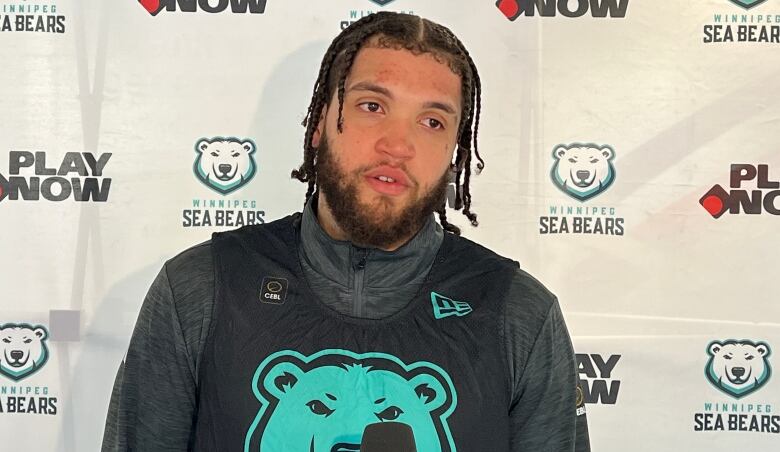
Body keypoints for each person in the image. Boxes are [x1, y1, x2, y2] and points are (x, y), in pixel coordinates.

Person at [102, 11, 590, 451]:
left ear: (455, 154)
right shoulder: (199, 290)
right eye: (372, 106)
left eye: (432, 121)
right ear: (319, 124)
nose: (398, 144)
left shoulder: (519, 315)